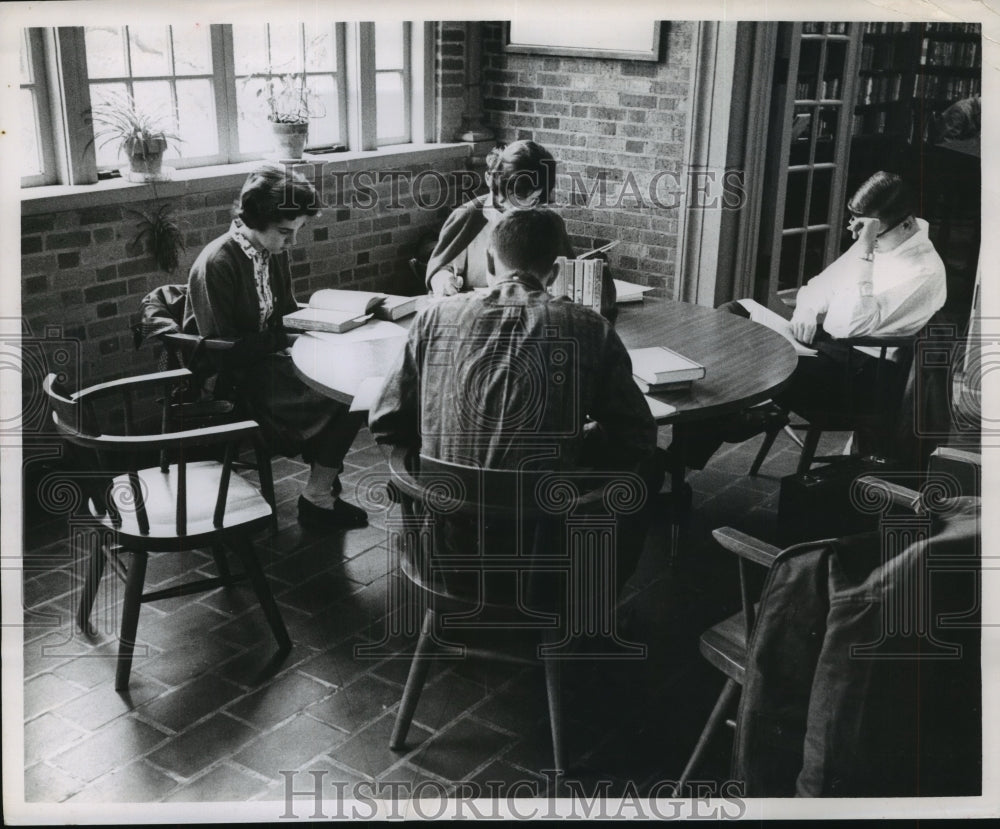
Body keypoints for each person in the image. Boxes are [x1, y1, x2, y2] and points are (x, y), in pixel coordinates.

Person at [370, 207, 660, 589]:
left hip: (444, 542)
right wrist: (582, 437)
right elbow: (637, 434)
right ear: (555, 273)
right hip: (545, 543)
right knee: (651, 468)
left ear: (490, 261)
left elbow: (386, 420)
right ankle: (596, 595)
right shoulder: (589, 327)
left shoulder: (433, 317)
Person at [677, 171, 947, 469]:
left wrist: (866, 253)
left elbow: (851, 327)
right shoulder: (882, 241)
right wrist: (806, 311)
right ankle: (737, 416)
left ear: (906, 223)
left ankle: (690, 452)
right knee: (731, 314)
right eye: (858, 228)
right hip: (827, 349)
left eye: (870, 232)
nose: (857, 237)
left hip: (860, 376)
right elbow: (817, 287)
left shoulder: (924, 271)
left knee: (750, 355)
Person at [184, 163, 368, 529]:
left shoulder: (271, 251)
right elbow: (225, 349)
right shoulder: (218, 262)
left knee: (356, 387)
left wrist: (321, 323)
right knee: (346, 396)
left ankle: (321, 490)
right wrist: (283, 338)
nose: (292, 242)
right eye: (285, 232)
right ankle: (319, 496)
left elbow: (283, 311)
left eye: (296, 232)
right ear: (254, 220)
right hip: (232, 378)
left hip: (269, 361)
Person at [425, 140, 617, 319]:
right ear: (497, 185)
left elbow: (567, 281)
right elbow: (440, 269)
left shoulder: (549, 223)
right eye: (518, 198)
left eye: (534, 199)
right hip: (477, 316)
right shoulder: (467, 217)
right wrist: (444, 280)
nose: (526, 207)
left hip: (538, 318)